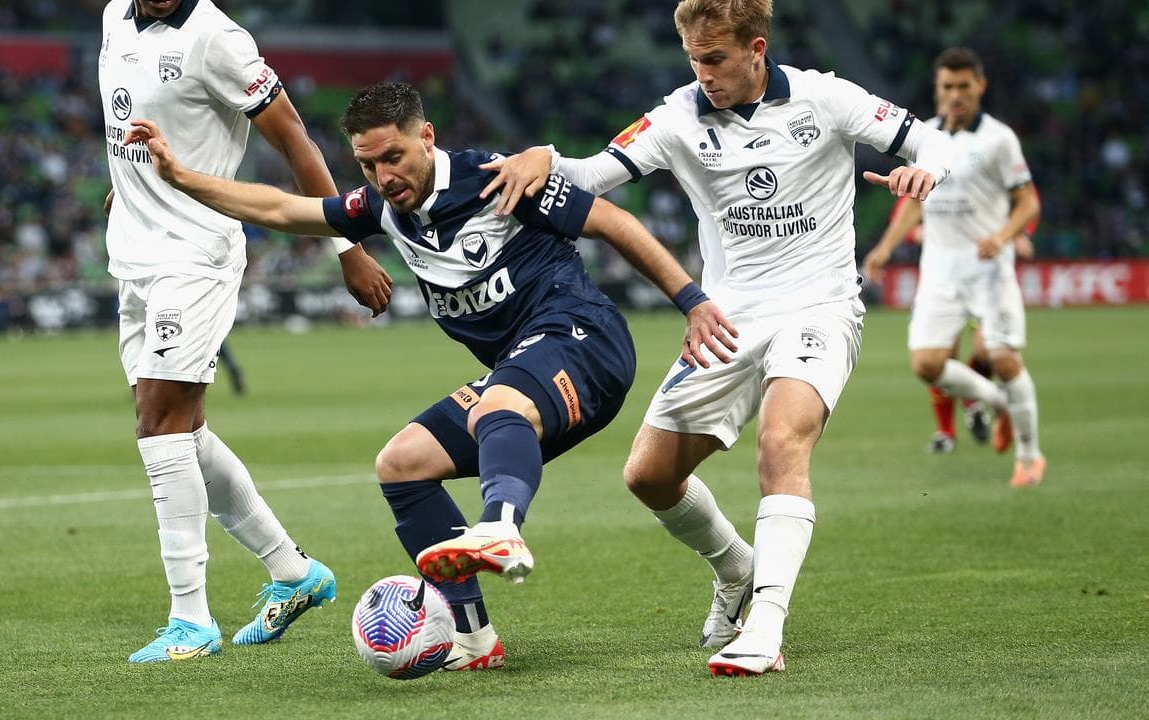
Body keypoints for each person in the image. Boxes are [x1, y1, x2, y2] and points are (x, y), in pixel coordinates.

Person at [123, 81, 739, 671]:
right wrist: (180, 179)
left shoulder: (494, 179)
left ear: (427, 137)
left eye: (394, 157)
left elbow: (614, 222)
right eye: (368, 166)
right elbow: (285, 208)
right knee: (402, 462)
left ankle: (499, 529)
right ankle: (473, 638)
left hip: (585, 342)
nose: (384, 177)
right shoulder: (386, 210)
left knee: (496, 405)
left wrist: (692, 301)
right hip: (523, 369)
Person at [479, 0, 956, 676]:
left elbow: (929, 140)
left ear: (757, 49)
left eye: (716, 59)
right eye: (694, 59)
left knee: (780, 441)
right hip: (728, 318)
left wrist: (924, 170)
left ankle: (765, 625)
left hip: (818, 306)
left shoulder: (825, 97)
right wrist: (542, 157)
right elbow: (594, 173)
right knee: (648, 475)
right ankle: (736, 569)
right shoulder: (678, 117)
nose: (703, 73)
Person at [99, 0, 393, 663]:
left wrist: (345, 248)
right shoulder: (116, 16)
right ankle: (294, 572)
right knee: (180, 429)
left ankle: (190, 620)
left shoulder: (218, 39)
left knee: (159, 423)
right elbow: (129, 121)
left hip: (195, 255)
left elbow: (292, 137)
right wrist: (128, 185)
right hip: (134, 257)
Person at [862, 47, 1044, 487]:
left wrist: (1002, 237)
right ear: (937, 89)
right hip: (939, 269)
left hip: (988, 269)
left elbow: (1028, 202)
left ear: (980, 85)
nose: (955, 95)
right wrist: (884, 248)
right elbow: (913, 201)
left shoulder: (998, 139)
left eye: (964, 85)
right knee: (926, 364)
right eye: (947, 86)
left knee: (1002, 357)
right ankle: (997, 404)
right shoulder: (924, 138)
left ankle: (1029, 456)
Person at [873, 193, 1040, 454]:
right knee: (938, 359)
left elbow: (1025, 198)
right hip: (944, 278)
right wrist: (917, 234)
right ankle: (947, 431)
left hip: (987, 275)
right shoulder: (929, 162)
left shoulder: (988, 161)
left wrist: (1020, 234)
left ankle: (978, 401)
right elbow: (906, 213)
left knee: (987, 351)